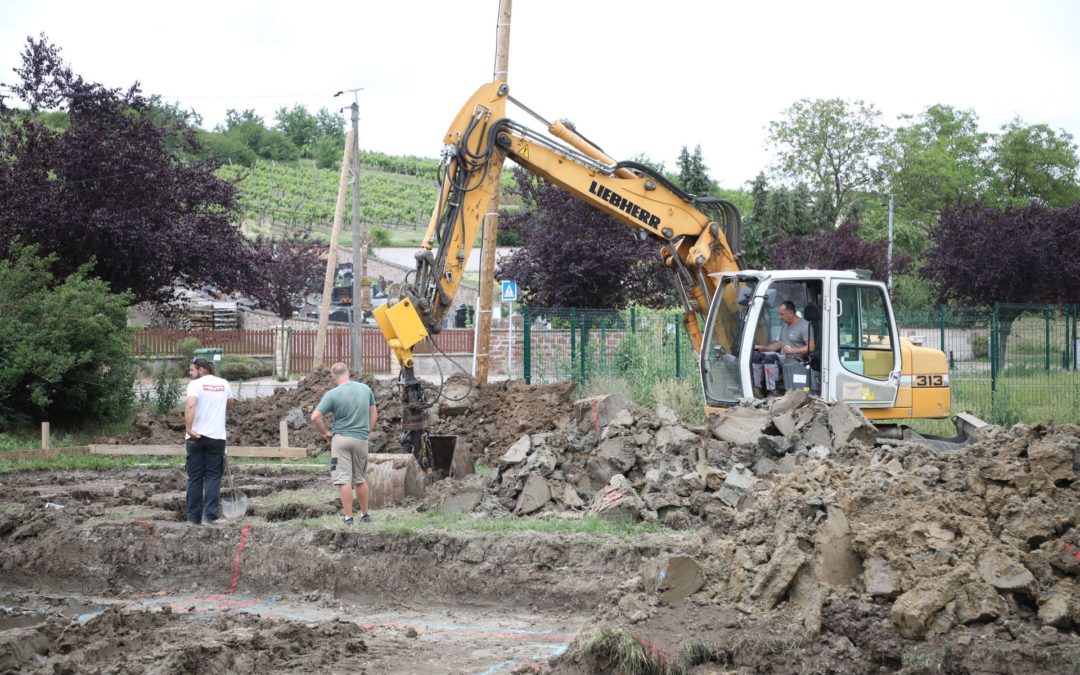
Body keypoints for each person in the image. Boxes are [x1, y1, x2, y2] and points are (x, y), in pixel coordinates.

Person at [311, 363, 378, 525]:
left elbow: (315, 417)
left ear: (333, 376)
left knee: (344, 480)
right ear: (349, 373)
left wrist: (326, 433)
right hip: (361, 439)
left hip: (340, 439)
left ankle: (348, 518)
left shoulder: (332, 394)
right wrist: (366, 432)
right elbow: (374, 415)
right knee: (360, 479)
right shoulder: (365, 389)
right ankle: (365, 515)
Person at [184, 357, 235, 525]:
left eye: (192, 370)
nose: (190, 373)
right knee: (213, 476)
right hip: (216, 437)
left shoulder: (195, 385)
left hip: (195, 437)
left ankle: (193, 518)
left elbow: (191, 405)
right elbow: (230, 405)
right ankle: (210, 517)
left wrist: (189, 428)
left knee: (195, 477)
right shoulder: (224, 383)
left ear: (202, 370)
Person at [752, 301, 814, 394]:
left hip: (796, 359)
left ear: (791, 313)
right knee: (757, 357)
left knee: (771, 359)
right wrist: (762, 348)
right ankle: (758, 388)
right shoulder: (785, 325)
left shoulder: (805, 326)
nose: (779, 317)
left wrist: (794, 350)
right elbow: (779, 344)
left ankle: (773, 391)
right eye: (778, 314)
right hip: (783, 357)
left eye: (782, 314)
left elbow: (811, 347)